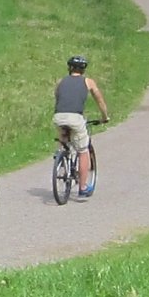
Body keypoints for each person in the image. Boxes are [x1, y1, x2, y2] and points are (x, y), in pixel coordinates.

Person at [53, 55, 110, 197]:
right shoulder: (88, 82)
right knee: (83, 150)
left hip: (59, 116)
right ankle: (83, 187)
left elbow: (58, 97)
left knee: (64, 138)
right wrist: (104, 117)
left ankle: (61, 155)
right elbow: (100, 100)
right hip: (75, 118)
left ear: (69, 68)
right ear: (83, 70)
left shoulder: (61, 82)